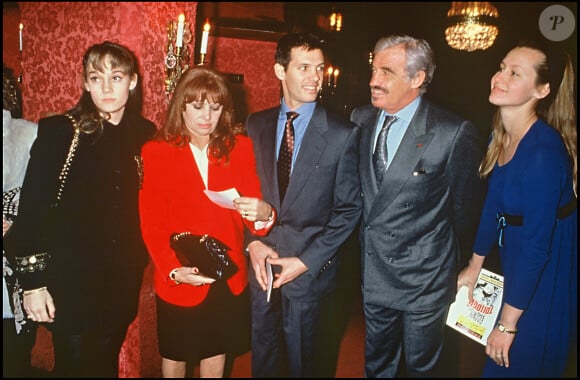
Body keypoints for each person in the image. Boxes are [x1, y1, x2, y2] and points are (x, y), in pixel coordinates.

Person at [3, 41, 156, 377]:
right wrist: (33, 284)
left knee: (103, 365)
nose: (106, 88)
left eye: (116, 77)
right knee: (72, 368)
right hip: (70, 280)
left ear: (132, 81)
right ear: (85, 83)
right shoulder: (61, 132)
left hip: (120, 280)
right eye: (96, 77)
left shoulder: (144, 135)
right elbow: (31, 212)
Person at [350, 34, 486, 377]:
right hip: (374, 272)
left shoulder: (452, 132)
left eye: (386, 72)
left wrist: (449, 261)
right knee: (377, 366)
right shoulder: (359, 119)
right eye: (373, 69)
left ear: (417, 78)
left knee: (423, 370)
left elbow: (465, 210)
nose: (373, 81)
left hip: (424, 279)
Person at [139, 66, 276, 378]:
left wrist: (265, 213)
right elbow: (151, 222)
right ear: (181, 106)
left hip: (226, 273)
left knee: (217, 353)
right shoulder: (156, 151)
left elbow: (253, 219)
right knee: (175, 356)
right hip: (180, 271)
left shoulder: (239, 148)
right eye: (197, 106)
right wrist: (173, 269)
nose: (207, 117)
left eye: (215, 108)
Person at [244, 32, 362, 378]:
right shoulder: (256, 124)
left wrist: (306, 261)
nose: (315, 77)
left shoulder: (342, 133)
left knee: (306, 366)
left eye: (320, 68)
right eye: (304, 67)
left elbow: (348, 210)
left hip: (311, 274)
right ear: (280, 71)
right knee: (263, 362)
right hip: (262, 269)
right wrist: (252, 243)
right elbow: (245, 191)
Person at [457, 41, 577, 377]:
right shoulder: (503, 135)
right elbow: (492, 206)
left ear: (542, 89)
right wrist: (474, 266)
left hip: (543, 265)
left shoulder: (543, 153)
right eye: (502, 67)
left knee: (516, 359)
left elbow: (539, 248)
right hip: (519, 255)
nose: (500, 76)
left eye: (515, 73)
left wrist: (508, 325)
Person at [3, 63, 39, 378]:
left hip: (12, 264)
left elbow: (45, 200)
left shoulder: (27, 133)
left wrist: (15, 219)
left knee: (13, 353)